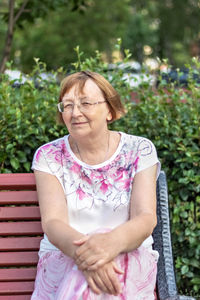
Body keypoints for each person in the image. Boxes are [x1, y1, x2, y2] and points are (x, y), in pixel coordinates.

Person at [31, 70, 160, 300]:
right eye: (67, 105)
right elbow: (53, 223)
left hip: (126, 255)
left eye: (86, 103)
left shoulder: (140, 150)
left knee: (105, 280)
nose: (75, 112)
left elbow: (146, 217)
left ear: (109, 110)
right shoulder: (48, 156)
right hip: (66, 257)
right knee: (91, 283)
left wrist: (108, 246)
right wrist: (90, 259)